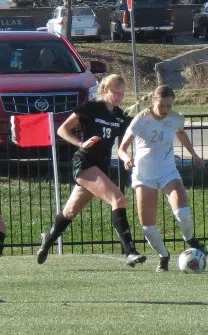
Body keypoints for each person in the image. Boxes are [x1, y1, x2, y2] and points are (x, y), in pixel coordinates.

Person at [37, 74, 146, 266]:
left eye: (122, 93)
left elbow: (135, 131)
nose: (119, 97)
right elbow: (62, 129)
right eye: (115, 92)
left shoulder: (119, 116)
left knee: (70, 211)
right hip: (85, 162)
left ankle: (47, 239)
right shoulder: (90, 108)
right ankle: (129, 251)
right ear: (104, 90)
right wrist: (81, 143)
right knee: (118, 198)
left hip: (101, 168)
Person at [118, 85, 207, 272]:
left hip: (168, 171)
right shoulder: (140, 120)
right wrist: (126, 159)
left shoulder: (176, 118)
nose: (166, 110)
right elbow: (122, 148)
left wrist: (194, 154)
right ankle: (163, 255)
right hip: (144, 174)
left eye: (169, 106)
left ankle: (190, 239)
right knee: (148, 227)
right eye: (162, 106)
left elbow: (181, 133)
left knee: (183, 213)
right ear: (153, 102)